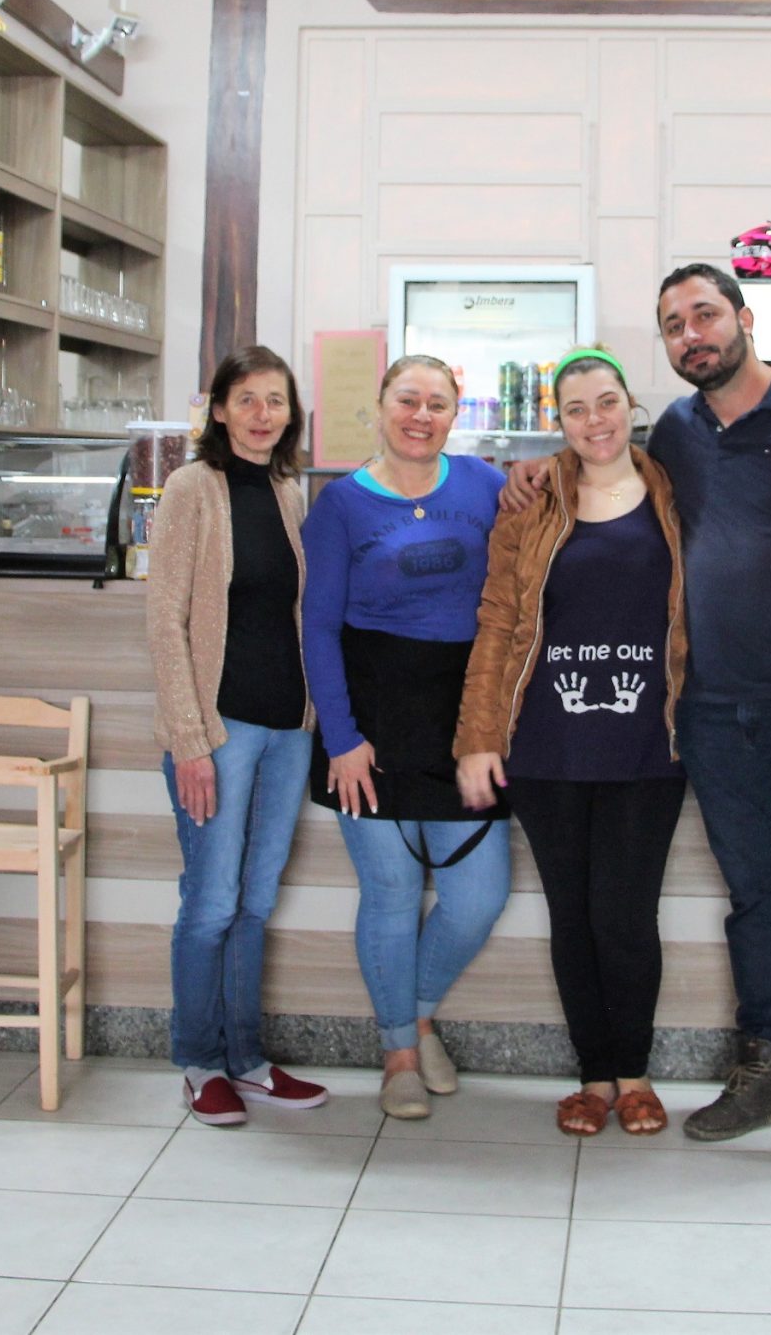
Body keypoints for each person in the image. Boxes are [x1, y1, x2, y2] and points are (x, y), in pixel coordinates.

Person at [500, 266, 771, 1189]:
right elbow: (598, 466)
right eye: (672, 324)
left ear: (743, 317)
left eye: (704, 314)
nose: (691, 332)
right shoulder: (679, 436)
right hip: (711, 711)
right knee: (758, 901)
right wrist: (535, 465)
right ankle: (767, 1072)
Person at [455, 348, 688, 1138]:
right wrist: (477, 738)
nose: (596, 419)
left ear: (631, 405)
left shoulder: (673, 490)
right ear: (559, 420)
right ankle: (593, 1074)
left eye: (608, 401)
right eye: (578, 407)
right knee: (573, 915)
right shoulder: (532, 498)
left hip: (646, 744)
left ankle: (636, 1072)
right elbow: (497, 622)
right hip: (547, 745)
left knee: (626, 915)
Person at [301, 355, 513, 1120]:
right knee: (390, 892)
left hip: (469, 722)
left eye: (437, 403)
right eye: (407, 399)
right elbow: (318, 626)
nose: (420, 415)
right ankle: (398, 1051)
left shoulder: (487, 487)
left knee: (479, 894)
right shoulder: (340, 506)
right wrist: (341, 739)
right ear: (380, 406)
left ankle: (418, 1012)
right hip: (374, 720)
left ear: (455, 414)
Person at [145, 346, 330, 1126]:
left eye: (276, 400)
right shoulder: (192, 488)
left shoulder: (289, 491)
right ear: (218, 408)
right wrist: (190, 738)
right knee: (211, 903)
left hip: (287, 727)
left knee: (256, 902)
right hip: (218, 729)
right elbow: (165, 620)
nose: (263, 413)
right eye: (247, 399)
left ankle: (247, 1058)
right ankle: (198, 1058)